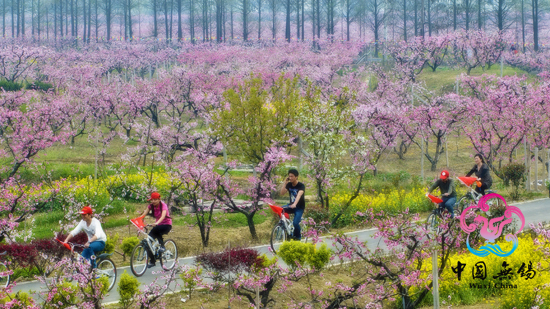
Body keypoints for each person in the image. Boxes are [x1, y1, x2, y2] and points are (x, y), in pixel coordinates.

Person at [139, 192, 172, 268]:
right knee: (148, 243)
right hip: (158, 225)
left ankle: (162, 246)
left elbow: (163, 216)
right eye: (152, 200)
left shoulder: (163, 205)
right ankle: (152, 261)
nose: (153, 201)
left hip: (166, 225)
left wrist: (157, 223)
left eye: (155, 200)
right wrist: (138, 221)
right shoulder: (150, 206)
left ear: (159, 199)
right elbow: (143, 215)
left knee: (156, 229)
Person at [279, 169, 306, 241]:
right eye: (289, 176)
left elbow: (299, 195)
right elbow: (282, 193)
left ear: (296, 177)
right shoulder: (289, 184)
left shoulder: (301, 185)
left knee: (295, 223)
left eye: (292, 176)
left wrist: (294, 204)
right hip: (291, 206)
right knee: (280, 209)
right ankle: (286, 229)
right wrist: (285, 183)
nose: (290, 178)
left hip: (299, 207)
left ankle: (298, 237)